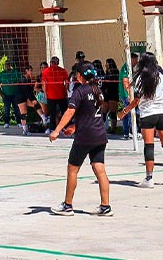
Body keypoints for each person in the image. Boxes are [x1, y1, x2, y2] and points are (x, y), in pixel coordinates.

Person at [48, 62, 113, 217]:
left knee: (72, 169)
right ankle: (105, 206)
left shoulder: (80, 91)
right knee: (100, 171)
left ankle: (67, 205)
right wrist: (74, 127)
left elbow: (70, 111)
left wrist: (56, 130)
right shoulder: (98, 90)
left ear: (79, 76)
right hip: (99, 135)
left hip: (85, 137)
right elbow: (91, 114)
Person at [118, 52, 163, 188]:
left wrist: (124, 112)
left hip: (147, 115)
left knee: (149, 146)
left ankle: (149, 178)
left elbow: (136, 100)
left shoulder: (140, 79)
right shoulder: (161, 76)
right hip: (161, 113)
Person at [42, 56, 69, 130]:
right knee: (64, 112)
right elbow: (66, 83)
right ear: (58, 63)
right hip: (61, 95)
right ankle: (66, 127)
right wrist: (66, 91)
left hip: (51, 96)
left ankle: (52, 128)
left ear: (51, 63)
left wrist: (45, 93)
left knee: (52, 113)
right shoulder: (63, 71)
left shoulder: (45, 71)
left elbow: (44, 84)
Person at [120, 52, 140, 139]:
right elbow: (125, 81)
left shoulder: (132, 68)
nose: (137, 61)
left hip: (130, 93)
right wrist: (129, 94)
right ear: (131, 59)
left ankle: (126, 133)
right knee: (129, 112)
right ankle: (132, 131)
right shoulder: (126, 68)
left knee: (127, 112)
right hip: (126, 94)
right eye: (135, 59)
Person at [0, 61, 21, 129]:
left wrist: (19, 92)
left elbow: (20, 81)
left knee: (17, 109)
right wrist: (1, 93)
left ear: (10, 65)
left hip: (15, 94)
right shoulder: (1, 74)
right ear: (4, 66)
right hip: (6, 95)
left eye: (8, 65)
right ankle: (6, 123)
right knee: (6, 109)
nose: (7, 66)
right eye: (6, 65)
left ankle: (19, 122)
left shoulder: (15, 72)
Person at [102, 58, 120, 134]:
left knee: (113, 112)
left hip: (113, 93)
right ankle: (101, 127)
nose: (105, 65)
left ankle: (113, 129)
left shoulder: (115, 73)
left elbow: (115, 84)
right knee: (104, 111)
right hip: (106, 95)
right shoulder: (106, 73)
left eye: (107, 63)